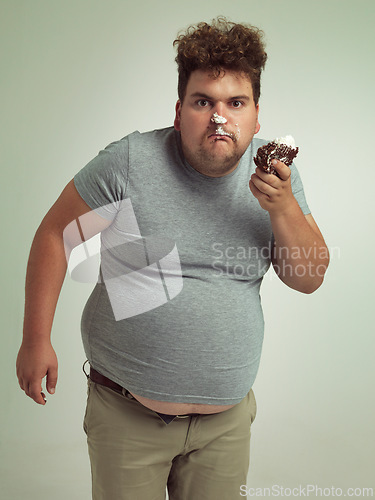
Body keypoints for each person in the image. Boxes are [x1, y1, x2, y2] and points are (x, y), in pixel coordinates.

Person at [16, 17, 329, 500]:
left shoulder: (277, 174)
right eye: (204, 102)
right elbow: (56, 233)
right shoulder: (130, 162)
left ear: (257, 116)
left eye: (235, 103)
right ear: (181, 110)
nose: (219, 118)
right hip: (126, 412)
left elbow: (308, 279)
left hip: (225, 425)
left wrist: (283, 207)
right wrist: (35, 340)